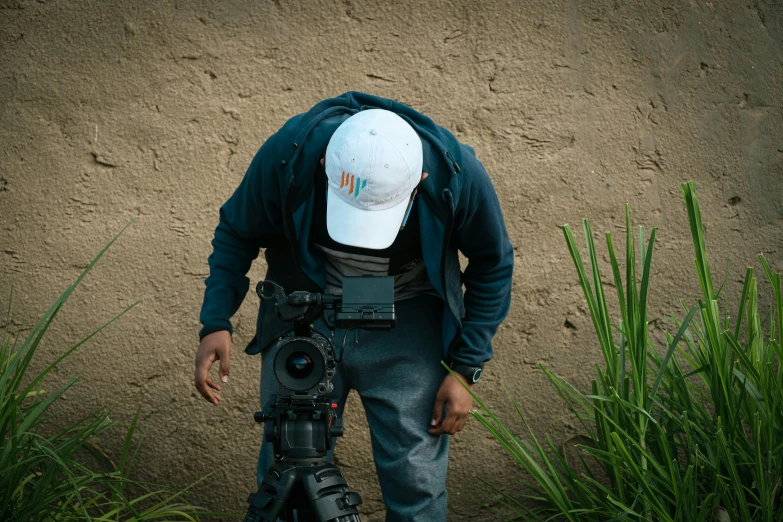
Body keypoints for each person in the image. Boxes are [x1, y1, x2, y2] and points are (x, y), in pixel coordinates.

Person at [194, 91, 514, 522]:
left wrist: (465, 369)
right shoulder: (290, 154)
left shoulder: (455, 174)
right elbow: (237, 230)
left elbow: (493, 263)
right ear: (325, 167)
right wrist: (216, 320)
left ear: (418, 182)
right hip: (304, 311)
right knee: (286, 467)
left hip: (410, 315)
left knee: (416, 480)